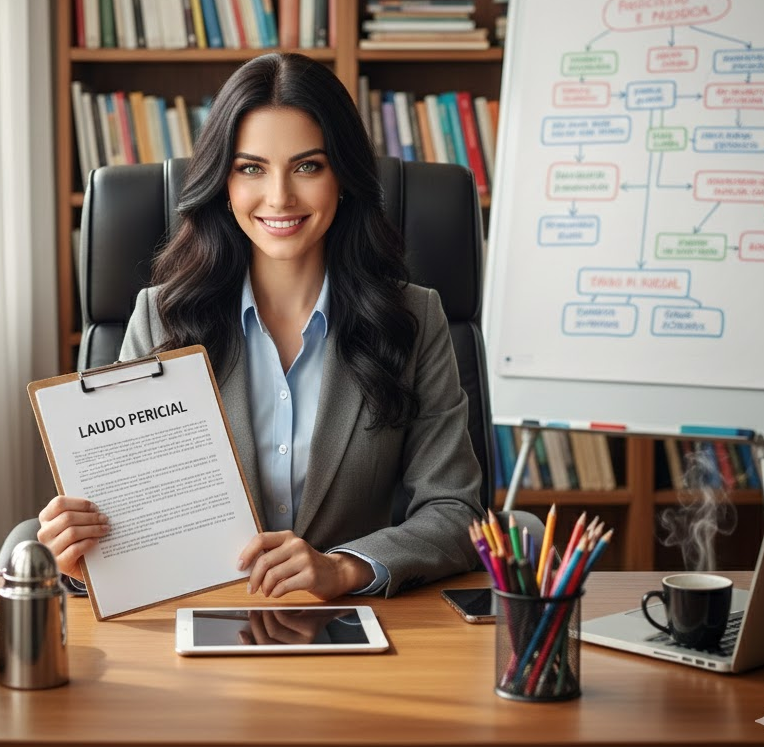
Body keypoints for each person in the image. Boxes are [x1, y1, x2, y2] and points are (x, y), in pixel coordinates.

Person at [38, 52, 483, 600]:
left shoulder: (413, 318)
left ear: (342, 176)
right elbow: (132, 514)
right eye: (251, 168)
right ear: (223, 182)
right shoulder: (161, 318)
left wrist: (343, 568)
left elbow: (454, 511)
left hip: (351, 626)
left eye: (307, 166)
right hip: (202, 626)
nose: (279, 197)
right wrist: (87, 557)